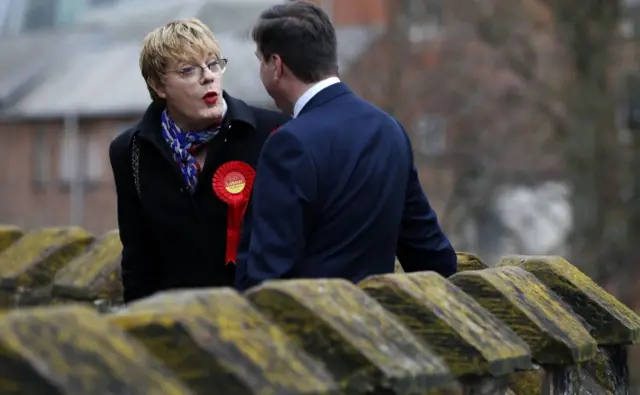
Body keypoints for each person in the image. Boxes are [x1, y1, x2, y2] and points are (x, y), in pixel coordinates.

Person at [235, 1, 457, 291]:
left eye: (260, 60)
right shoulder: (388, 130)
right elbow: (431, 254)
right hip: (377, 323)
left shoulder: (290, 143)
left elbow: (265, 277)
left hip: (311, 326)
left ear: (276, 65)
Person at [109, 18, 290, 303]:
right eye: (188, 70)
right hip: (173, 322)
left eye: (213, 64)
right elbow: (137, 258)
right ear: (159, 85)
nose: (208, 76)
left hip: (254, 317)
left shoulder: (271, 131)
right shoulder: (130, 150)